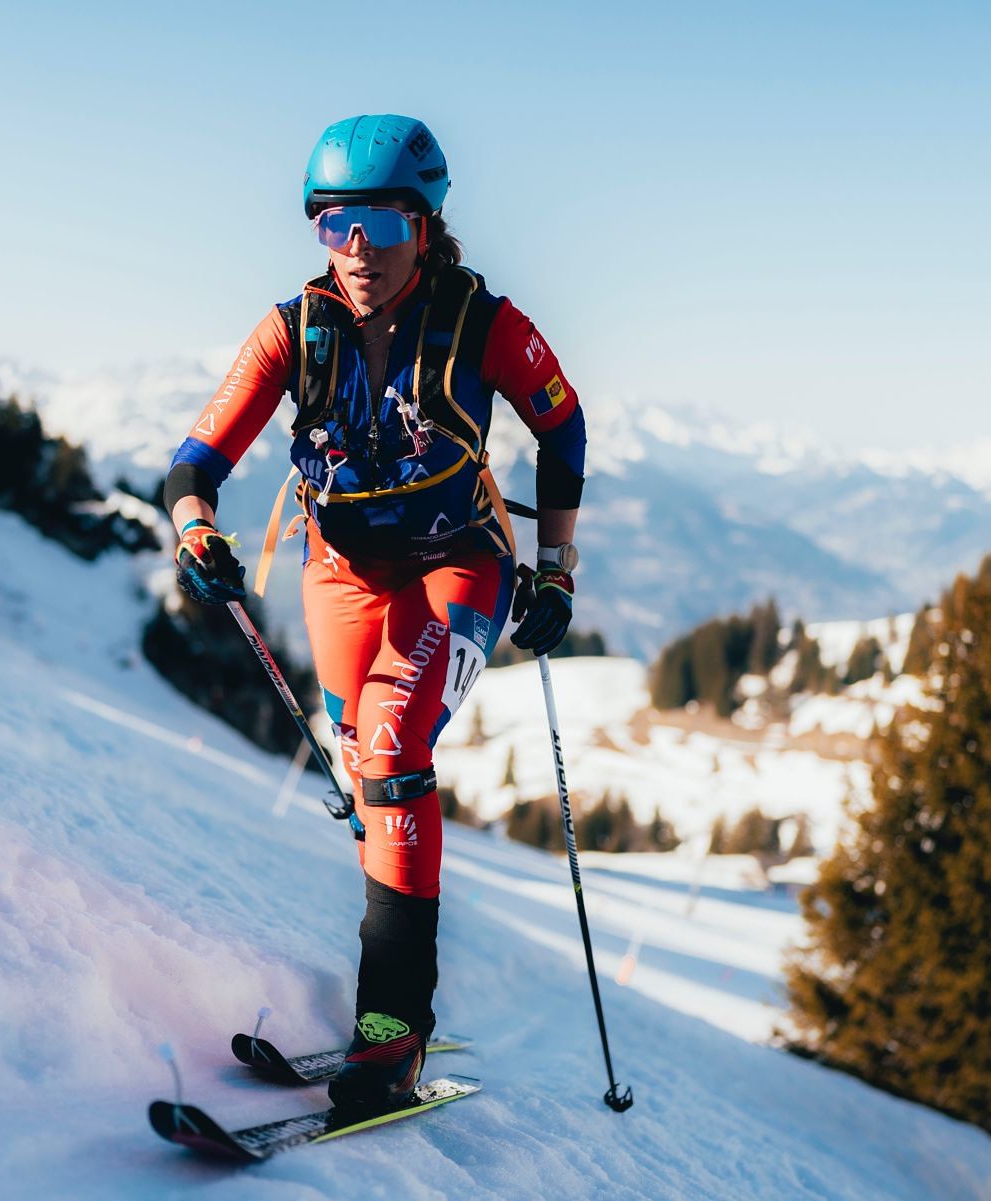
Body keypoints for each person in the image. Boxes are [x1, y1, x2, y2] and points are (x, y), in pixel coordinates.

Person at [163, 114, 587, 1112]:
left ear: (426, 225)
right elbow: (194, 462)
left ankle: (391, 1031)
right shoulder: (293, 328)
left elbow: (561, 429)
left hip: (459, 567)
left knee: (394, 746)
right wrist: (195, 530)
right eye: (331, 224)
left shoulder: (487, 324)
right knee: (366, 764)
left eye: (380, 227)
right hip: (340, 572)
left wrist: (558, 570)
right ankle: (393, 991)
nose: (355, 251)